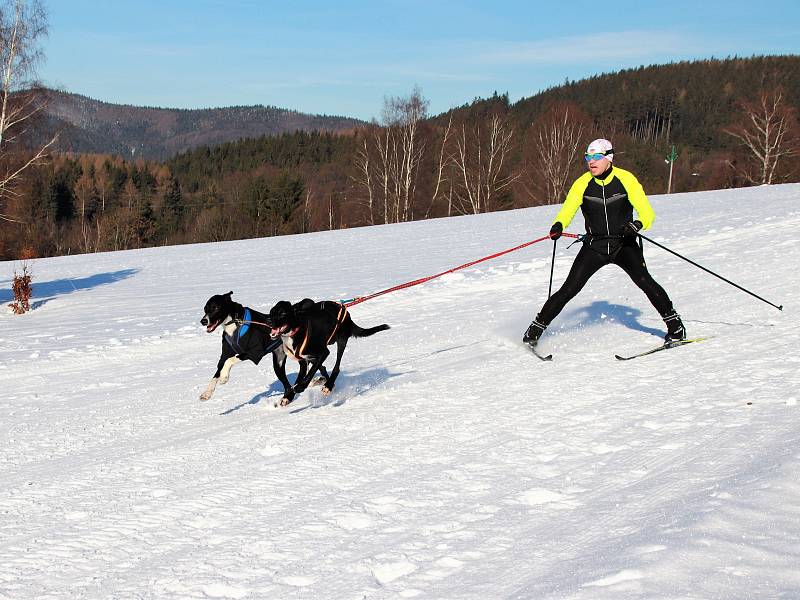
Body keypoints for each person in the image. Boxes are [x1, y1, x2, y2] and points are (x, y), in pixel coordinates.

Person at [523, 138, 685, 348]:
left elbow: (648, 213)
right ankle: (534, 330)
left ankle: (676, 327)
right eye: (588, 157)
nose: (591, 162)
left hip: (623, 245)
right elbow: (568, 208)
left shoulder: (626, 179)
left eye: (596, 157)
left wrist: (637, 224)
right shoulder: (582, 183)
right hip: (595, 246)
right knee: (569, 289)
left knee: (645, 282)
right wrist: (559, 225)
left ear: (609, 158)